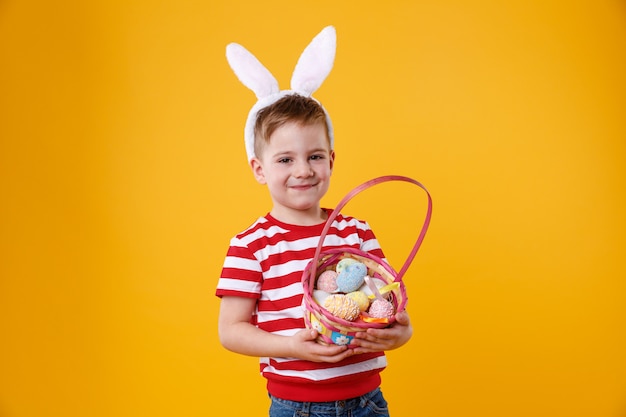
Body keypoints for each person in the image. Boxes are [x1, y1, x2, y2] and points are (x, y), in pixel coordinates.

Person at [216, 27, 413, 417]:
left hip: (368, 402)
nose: (303, 171)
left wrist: (399, 335)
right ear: (259, 168)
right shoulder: (252, 244)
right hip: (297, 407)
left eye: (315, 156)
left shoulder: (357, 233)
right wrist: (290, 346)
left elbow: (391, 308)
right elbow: (231, 331)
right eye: (285, 159)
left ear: (331, 160)